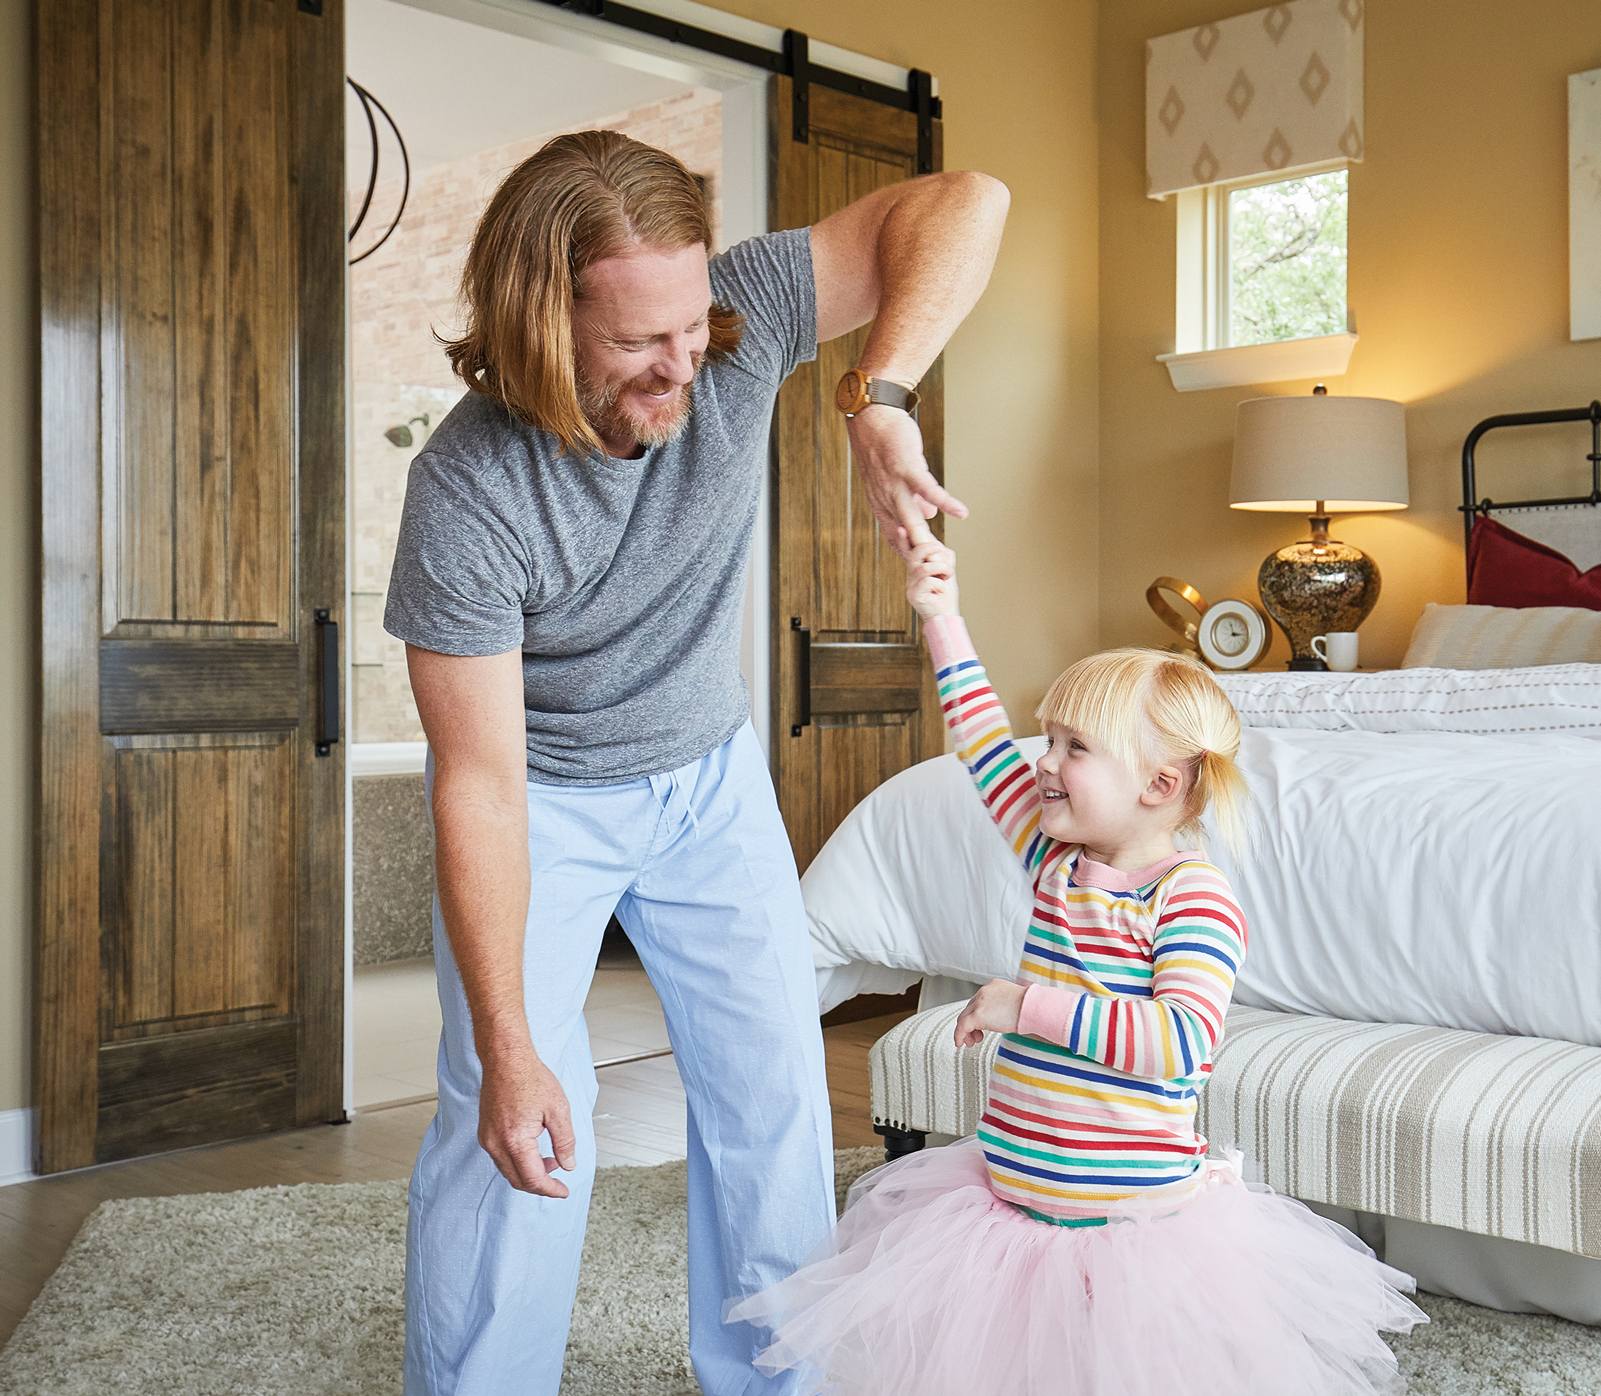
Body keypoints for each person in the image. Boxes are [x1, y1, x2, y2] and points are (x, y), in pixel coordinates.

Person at [383, 130, 1007, 1396]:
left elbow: (967, 201)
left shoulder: (736, 318)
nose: (687, 363)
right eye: (635, 344)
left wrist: (879, 393)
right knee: (511, 1123)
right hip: (545, 796)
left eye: (691, 325)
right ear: (541, 320)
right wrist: (511, 1048)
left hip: (707, 775)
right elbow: (481, 785)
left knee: (775, 1096)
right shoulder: (468, 491)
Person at [727, 536, 1428, 1395]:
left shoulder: (1191, 899)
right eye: (1049, 738)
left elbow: (1179, 1044)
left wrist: (1029, 1007)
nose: (1044, 762)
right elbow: (986, 744)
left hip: (1132, 1226)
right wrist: (941, 615)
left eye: (1074, 748)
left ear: (1160, 785)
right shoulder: (1056, 861)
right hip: (1011, 1197)